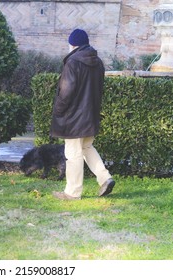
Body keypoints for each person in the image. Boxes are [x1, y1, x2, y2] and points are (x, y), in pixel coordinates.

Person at [50, 28, 115, 200]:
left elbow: (66, 91)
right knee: (86, 147)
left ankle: (72, 193)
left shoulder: (73, 62)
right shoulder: (98, 62)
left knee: (73, 154)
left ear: (72, 44)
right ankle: (105, 178)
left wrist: (58, 110)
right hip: (90, 115)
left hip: (73, 117)